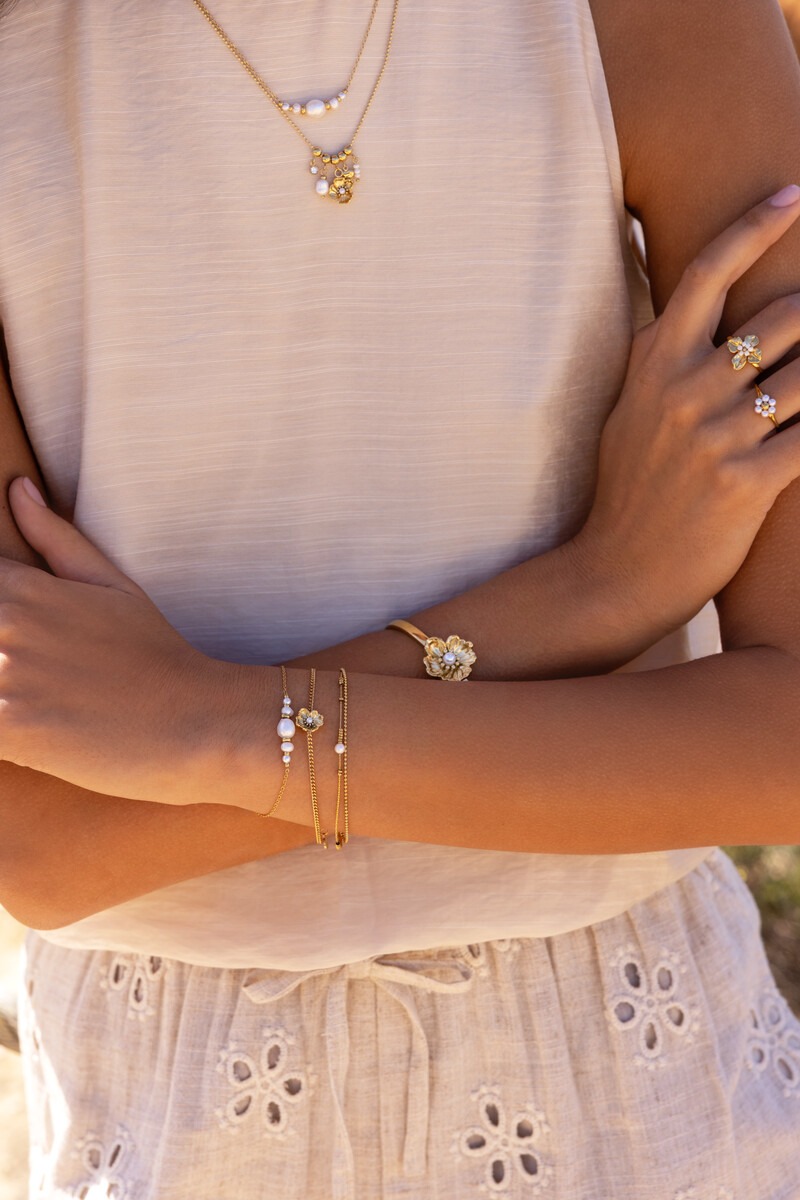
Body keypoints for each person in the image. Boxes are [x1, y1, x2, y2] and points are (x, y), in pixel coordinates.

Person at [1, 0, 800, 1196]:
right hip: (162, 1119)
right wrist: (583, 595)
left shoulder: (652, 18)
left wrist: (213, 729)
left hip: (642, 1089)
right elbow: (44, 844)